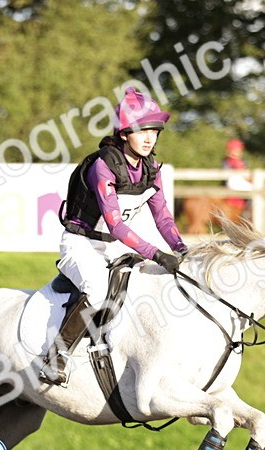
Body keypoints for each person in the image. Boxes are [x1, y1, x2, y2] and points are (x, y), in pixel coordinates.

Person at [40, 87, 187, 386]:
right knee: (95, 290)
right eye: (141, 131)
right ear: (123, 133)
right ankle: (57, 356)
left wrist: (181, 248)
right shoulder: (103, 165)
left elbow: (162, 217)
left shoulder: (151, 169)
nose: (149, 138)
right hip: (80, 244)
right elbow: (116, 224)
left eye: (154, 131)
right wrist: (158, 254)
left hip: (110, 249)